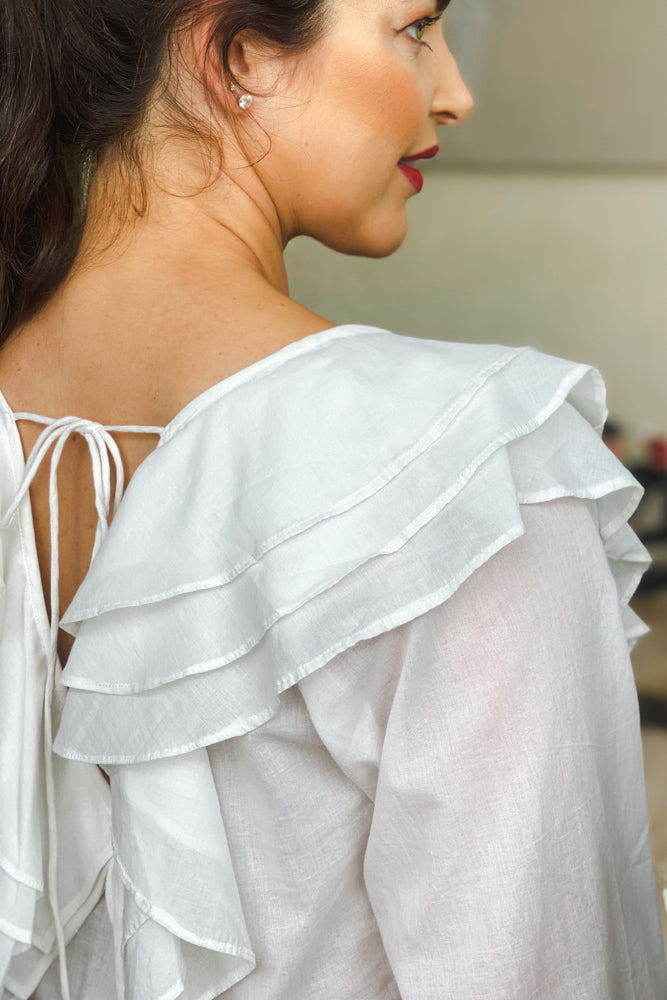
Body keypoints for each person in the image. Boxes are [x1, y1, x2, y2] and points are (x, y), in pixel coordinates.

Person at [0, 1, 665, 997]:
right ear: (240, 55)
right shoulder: (461, 475)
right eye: (413, 27)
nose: (456, 93)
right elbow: (544, 964)